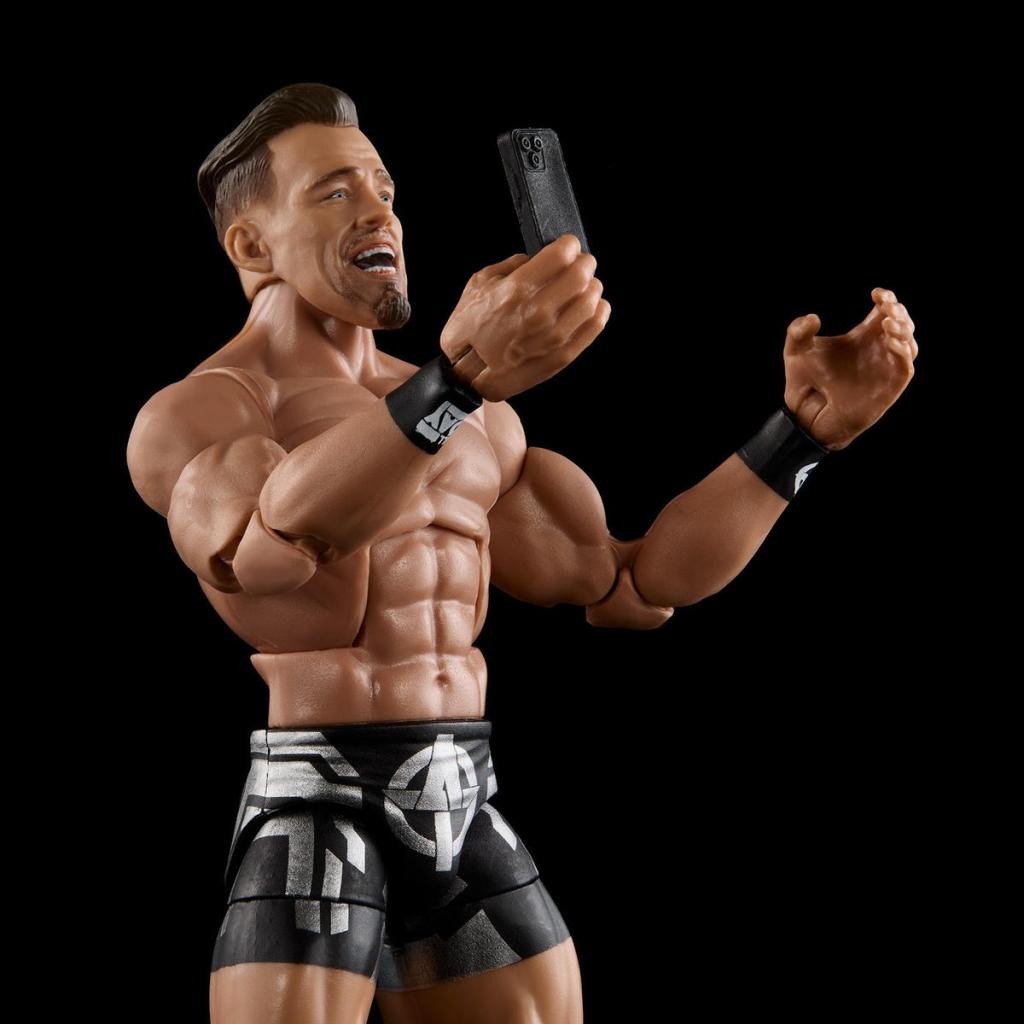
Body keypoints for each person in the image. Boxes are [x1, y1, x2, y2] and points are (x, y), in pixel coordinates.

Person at [126, 82, 918, 1024]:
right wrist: (454, 381)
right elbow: (273, 550)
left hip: (460, 790)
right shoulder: (209, 410)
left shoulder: (479, 420)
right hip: (319, 802)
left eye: (385, 189)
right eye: (336, 192)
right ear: (252, 246)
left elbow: (632, 583)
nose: (380, 212)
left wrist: (799, 438)